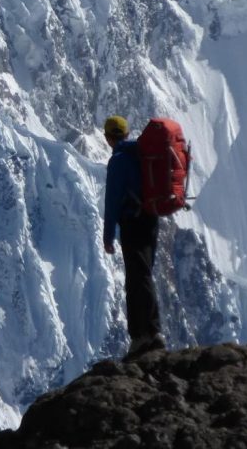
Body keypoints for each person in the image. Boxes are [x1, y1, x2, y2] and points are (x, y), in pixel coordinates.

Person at [103, 115, 166, 359]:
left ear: (109, 138)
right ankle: (148, 332)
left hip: (133, 223)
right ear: (127, 134)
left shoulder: (118, 161)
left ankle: (145, 335)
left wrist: (108, 236)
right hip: (151, 219)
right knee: (144, 275)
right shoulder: (141, 155)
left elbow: (112, 202)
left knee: (136, 279)